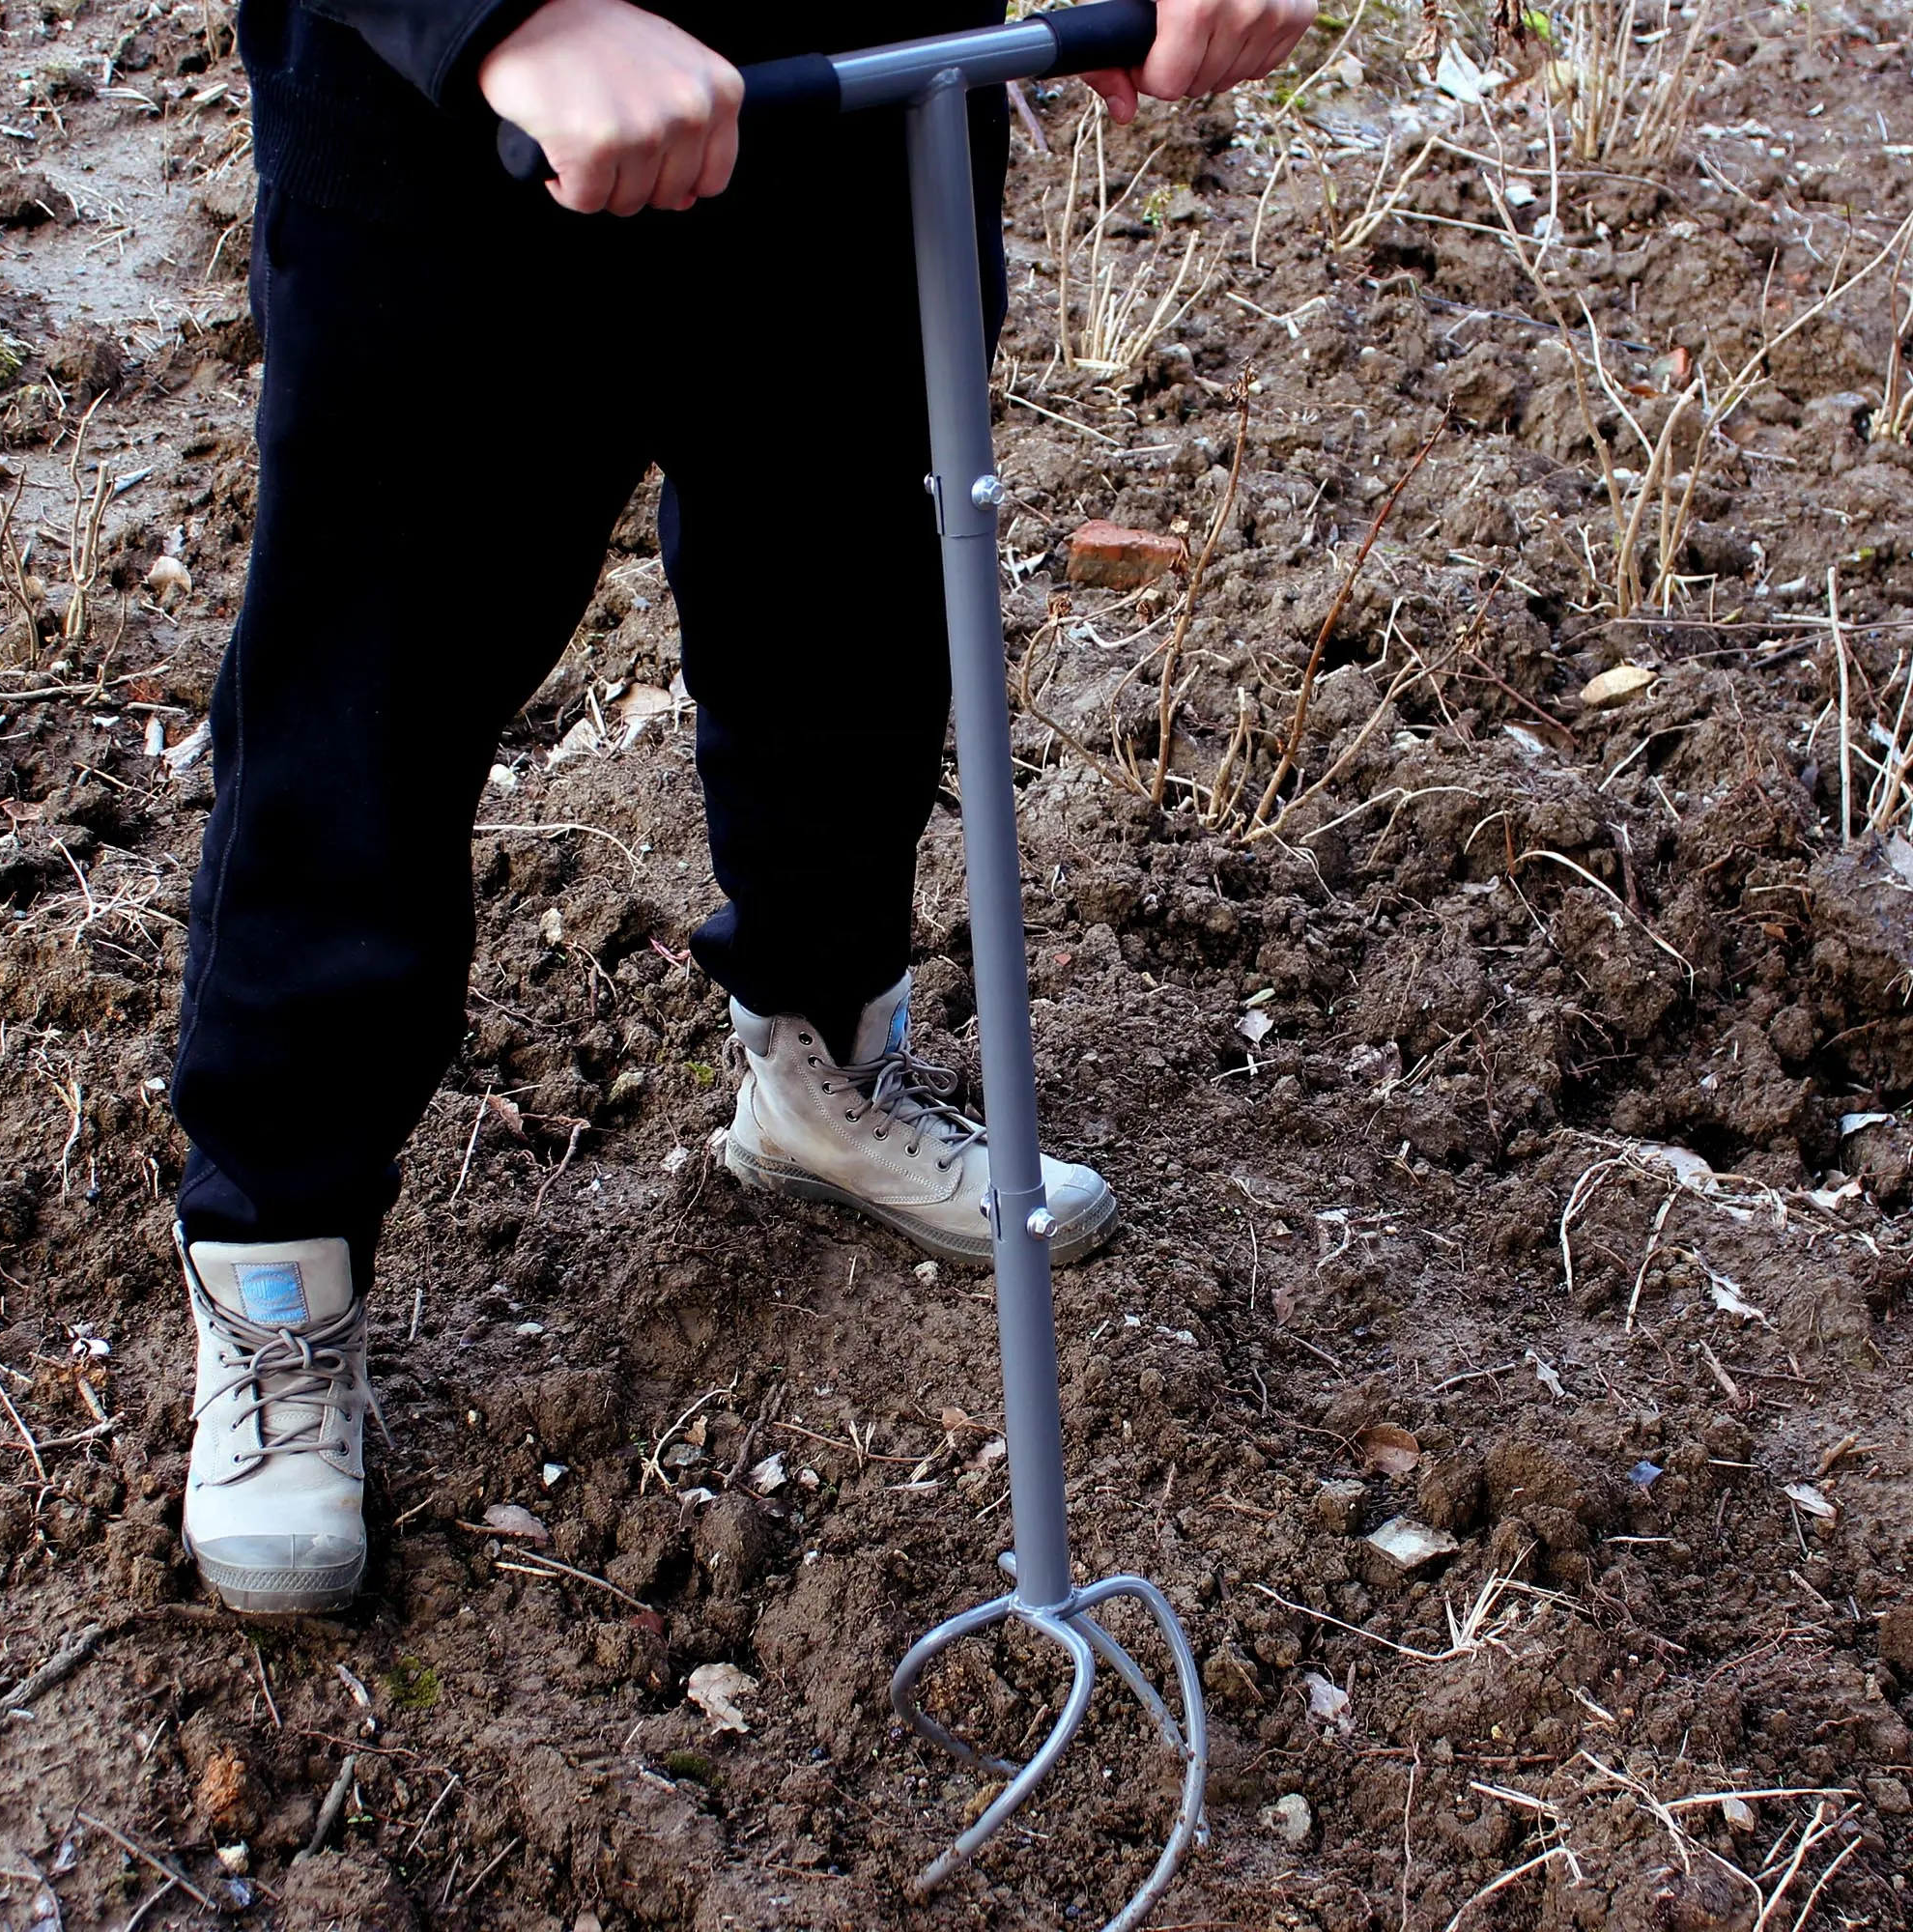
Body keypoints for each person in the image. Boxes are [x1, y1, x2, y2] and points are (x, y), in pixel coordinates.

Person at [174, 0, 1317, 1615]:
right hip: (463, 141)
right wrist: (505, 15)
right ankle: (277, 1261)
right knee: (370, 699)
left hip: (851, 80)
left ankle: (824, 1075)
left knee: (850, 638)